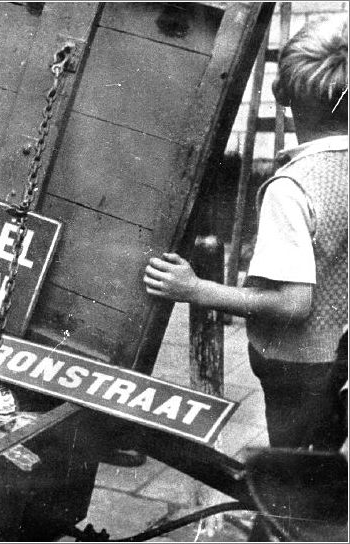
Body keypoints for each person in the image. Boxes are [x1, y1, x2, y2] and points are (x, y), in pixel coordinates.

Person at [143, 16, 348, 452]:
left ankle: (281, 517)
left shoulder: (291, 189)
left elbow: (293, 304)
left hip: (297, 366)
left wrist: (196, 289)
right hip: (342, 360)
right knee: (325, 460)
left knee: (288, 471)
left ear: (287, 98)